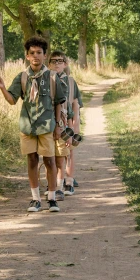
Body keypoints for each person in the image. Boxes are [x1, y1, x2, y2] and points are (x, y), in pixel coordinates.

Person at [0, 36, 65, 212]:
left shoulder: (52, 77)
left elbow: (58, 102)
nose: (35, 56)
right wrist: (2, 88)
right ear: (26, 56)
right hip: (27, 125)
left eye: (39, 53)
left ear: (45, 55)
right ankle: (35, 199)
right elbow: (12, 100)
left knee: (49, 161)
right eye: (32, 53)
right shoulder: (22, 77)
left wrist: (58, 125)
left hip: (46, 125)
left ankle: (52, 198)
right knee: (32, 160)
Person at [48, 51, 83, 199]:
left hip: (67, 120)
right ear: (48, 63)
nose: (57, 63)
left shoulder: (70, 81)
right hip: (52, 120)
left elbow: (75, 104)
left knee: (69, 151)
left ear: (65, 64)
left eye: (60, 61)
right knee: (55, 154)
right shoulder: (47, 80)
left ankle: (69, 180)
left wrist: (76, 124)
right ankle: (55, 183)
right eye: (54, 61)